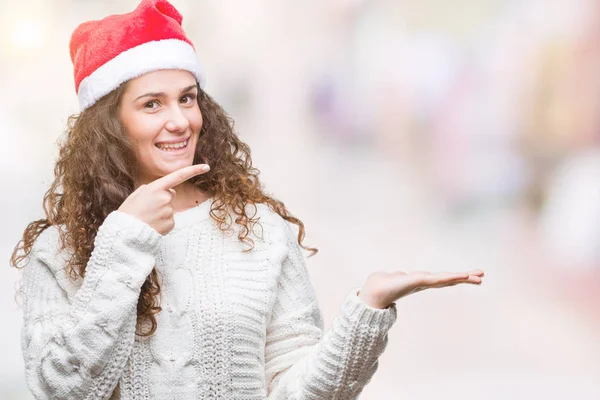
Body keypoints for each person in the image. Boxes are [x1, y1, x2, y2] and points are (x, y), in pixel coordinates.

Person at [10, 1, 485, 399]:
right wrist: (124, 241)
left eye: (188, 98)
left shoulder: (257, 229)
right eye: (152, 104)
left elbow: (295, 390)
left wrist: (369, 308)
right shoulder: (61, 250)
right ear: (111, 127)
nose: (179, 120)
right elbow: (59, 390)